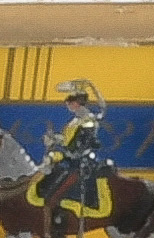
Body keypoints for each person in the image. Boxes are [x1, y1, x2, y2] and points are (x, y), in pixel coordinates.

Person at [32, 81, 117, 220]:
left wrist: (61, 150)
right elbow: (67, 139)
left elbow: (80, 144)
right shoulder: (75, 120)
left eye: (70, 101)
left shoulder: (88, 120)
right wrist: (54, 139)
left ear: (77, 103)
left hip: (79, 159)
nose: (68, 104)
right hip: (69, 155)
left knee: (57, 166)